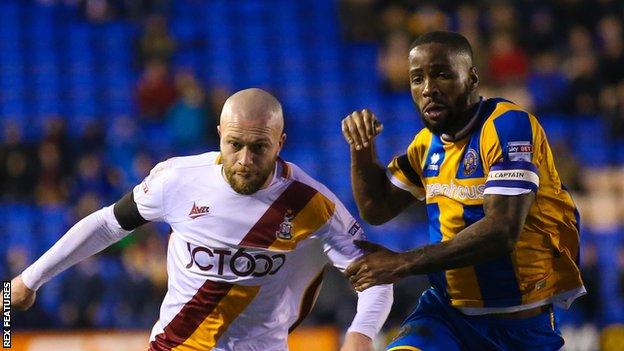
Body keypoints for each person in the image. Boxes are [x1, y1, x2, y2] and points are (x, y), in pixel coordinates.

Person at [11, 88, 393, 351]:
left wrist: (360, 335)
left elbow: (377, 279)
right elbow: (108, 223)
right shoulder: (178, 179)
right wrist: (29, 279)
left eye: (259, 147)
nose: (245, 159)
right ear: (219, 136)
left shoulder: (311, 203)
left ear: (280, 142)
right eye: (235, 144)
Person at [341, 31, 585, 350]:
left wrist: (404, 262)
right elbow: (376, 208)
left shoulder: (509, 126)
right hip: (446, 316)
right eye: (417, 79)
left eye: (442, 74)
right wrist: (362, 150)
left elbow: (502, 231)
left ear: (471, 77)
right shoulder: (426, 144)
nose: (428, 89)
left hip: (521, 326)